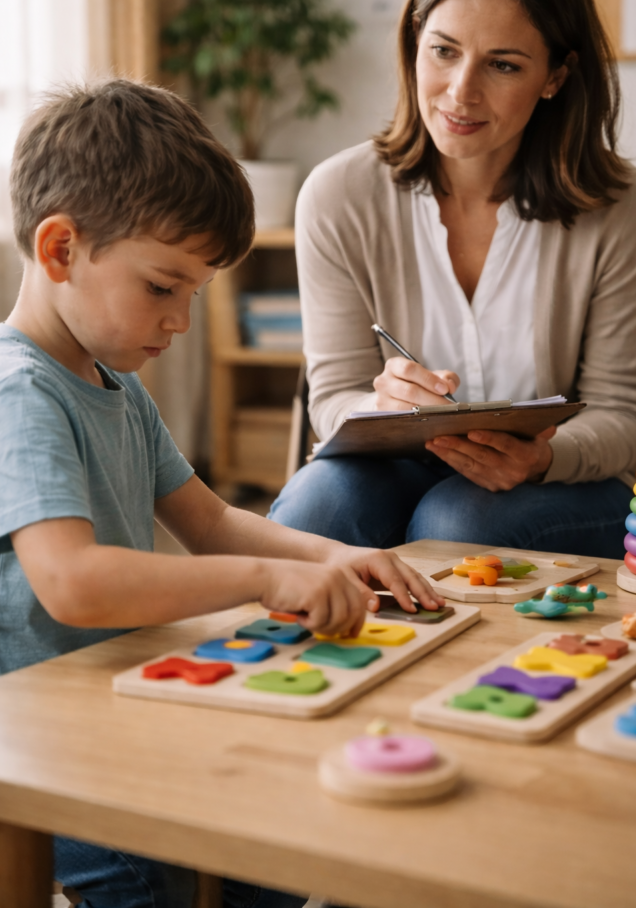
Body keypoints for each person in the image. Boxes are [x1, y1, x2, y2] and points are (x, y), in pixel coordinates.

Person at [0, 78, 441, 908]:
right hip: (42, 741)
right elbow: (73, 581)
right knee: (159, 887)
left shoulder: (111, 382)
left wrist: (339, 554)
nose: (179, 321)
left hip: (126, 704)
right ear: (60, 250)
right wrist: (267, 580)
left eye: (193, 295)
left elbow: (207, 520)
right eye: (163, 288)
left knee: (271, 852)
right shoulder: (18, 391)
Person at [269, 0, 636, 559]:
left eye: (503, 64)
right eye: (444, 50)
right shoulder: (337, 194)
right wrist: (378, 403)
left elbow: (626, 417)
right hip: (398, 465)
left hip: (568, 480)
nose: (461, 92)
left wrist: (543, 456)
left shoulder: (618, 205)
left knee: (459, 523)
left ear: (555, 78)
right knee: (318, 509)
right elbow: (334, 400)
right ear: (414, 42)